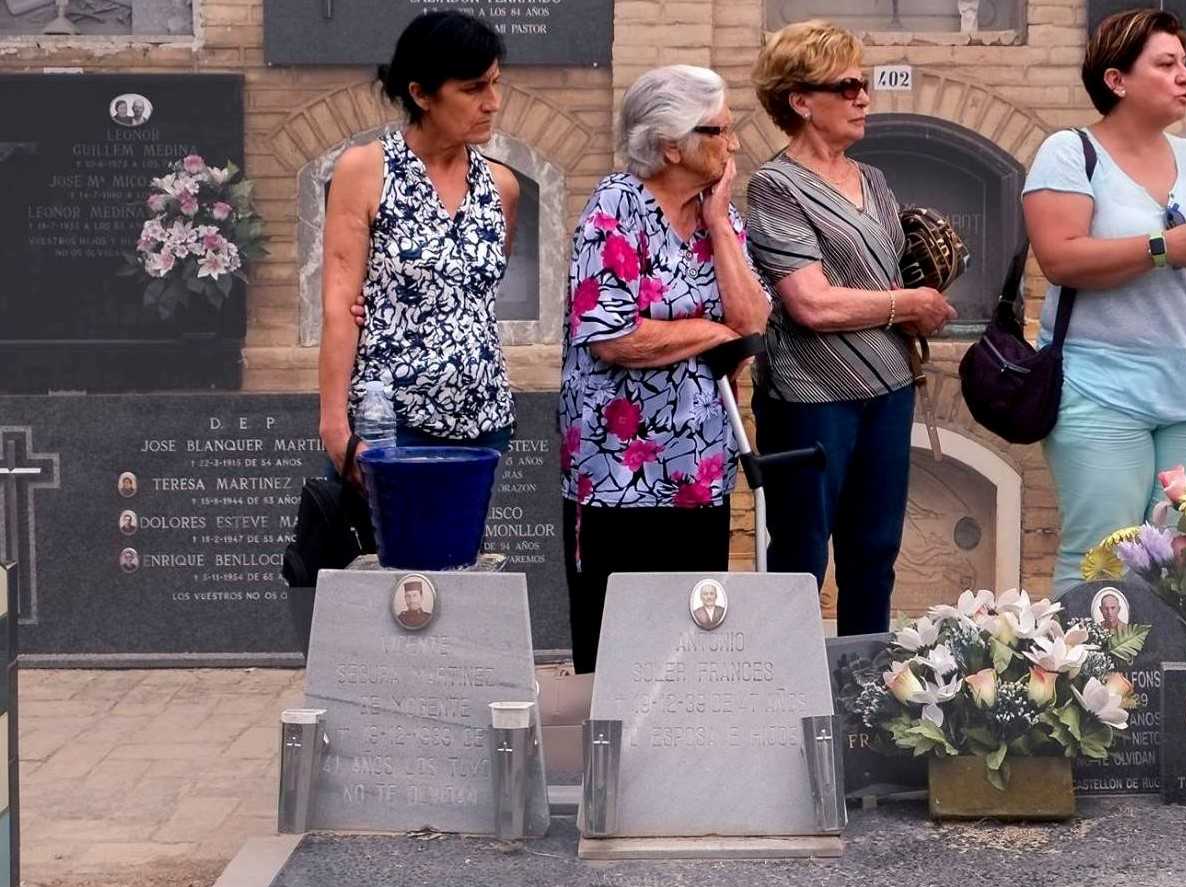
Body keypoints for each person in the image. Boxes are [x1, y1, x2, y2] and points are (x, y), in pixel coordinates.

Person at [1022, 9, 1186, 597]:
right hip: (1099, 392)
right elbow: (1059, 258)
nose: (1185, 75)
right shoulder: (1069, 152)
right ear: (1117, 80)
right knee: (1103, 559)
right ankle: (1086, 689)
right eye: (1166, 64)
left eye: (1185, 62)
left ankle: (1185, 691)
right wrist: (1164, 247)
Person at [745, 21, 956, 636]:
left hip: (887, 389)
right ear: (800, 100)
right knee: (800, 560)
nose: (864, 97)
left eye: (863, 85)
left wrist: (928, 281)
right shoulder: (774, 186)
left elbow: (892, 275)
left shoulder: (874, 180)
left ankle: (867, 698)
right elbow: (809, 304)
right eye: (848, 86)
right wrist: (906, 303)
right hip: (809, 400)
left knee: (875, 553)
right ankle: (790, 697)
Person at [558, 65, 770, 674]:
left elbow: (752, 321)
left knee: (692, 636)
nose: (733, 144)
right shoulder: (615, 208)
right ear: (671, 144)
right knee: (618, 644)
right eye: (720, 130)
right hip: (617, 467)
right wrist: (711, 333)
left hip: (699, 461)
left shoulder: (717, 212)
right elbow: (612, 336)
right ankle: (612, 764)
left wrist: (720, 226)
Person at [318, 11, 522, 482]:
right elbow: (339, 304)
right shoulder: (365, 170)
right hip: (389, 422)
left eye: (495, 83)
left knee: (457, 555)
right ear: (421, 93)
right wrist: (334, 426)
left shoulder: (502, 186)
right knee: (382, 553)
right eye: (473, 88)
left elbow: (474, 298)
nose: (492, 103)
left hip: (481, 420)